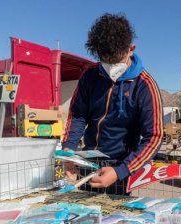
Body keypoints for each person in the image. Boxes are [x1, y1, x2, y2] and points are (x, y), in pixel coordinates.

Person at [61, 13, 163, 195]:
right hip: (88, 162)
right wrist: (68, 151)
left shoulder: (145, 85)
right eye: (104, 62)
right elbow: (78, 115)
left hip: (120, 168)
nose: (110, 68)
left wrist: (120, 171)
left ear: (131, 49)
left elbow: (154, 137)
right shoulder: (90, 76)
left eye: (115, 61)